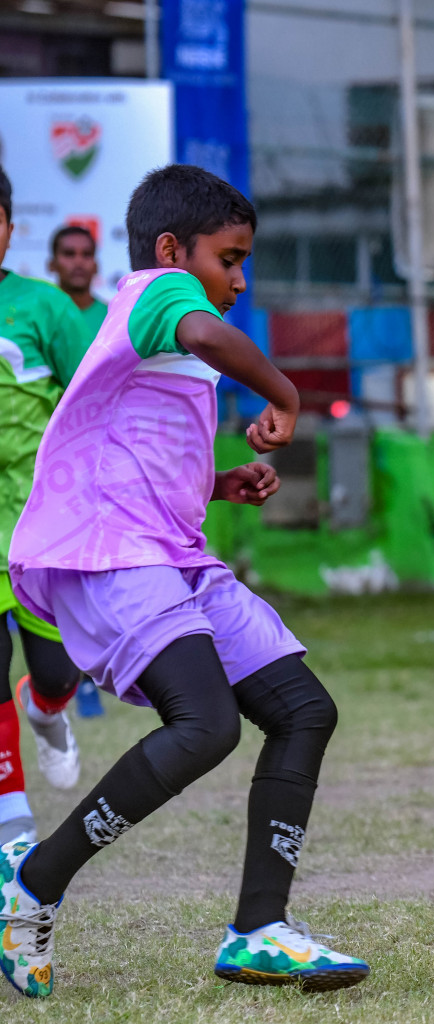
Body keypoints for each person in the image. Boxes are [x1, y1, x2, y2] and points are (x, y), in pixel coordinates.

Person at [0, 164, 369, 999]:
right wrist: (283, 389)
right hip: (113, 557)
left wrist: (217, 480)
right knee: (204, 725)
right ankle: (33, 887)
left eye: (245, 263)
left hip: (171, 553)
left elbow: (132, 453)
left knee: (304, 711)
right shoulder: (157, 294)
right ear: (174, 250)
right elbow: (207, 337)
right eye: (229, 259)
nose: (240, 280)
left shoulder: (168, 336)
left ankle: (259, 931)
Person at [0, 167, 94, 850]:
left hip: (38, 519)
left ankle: (47, 706)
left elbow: (97, 393)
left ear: (9, 226)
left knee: (58, 671)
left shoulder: (44, 307)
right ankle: (11, 821)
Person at [47, 224, 108, 336]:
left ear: (96, 266)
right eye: (69, 254)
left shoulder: (112, 318)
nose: (79, 262)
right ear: (51, 265)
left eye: (87, 254)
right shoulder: (39, 316)